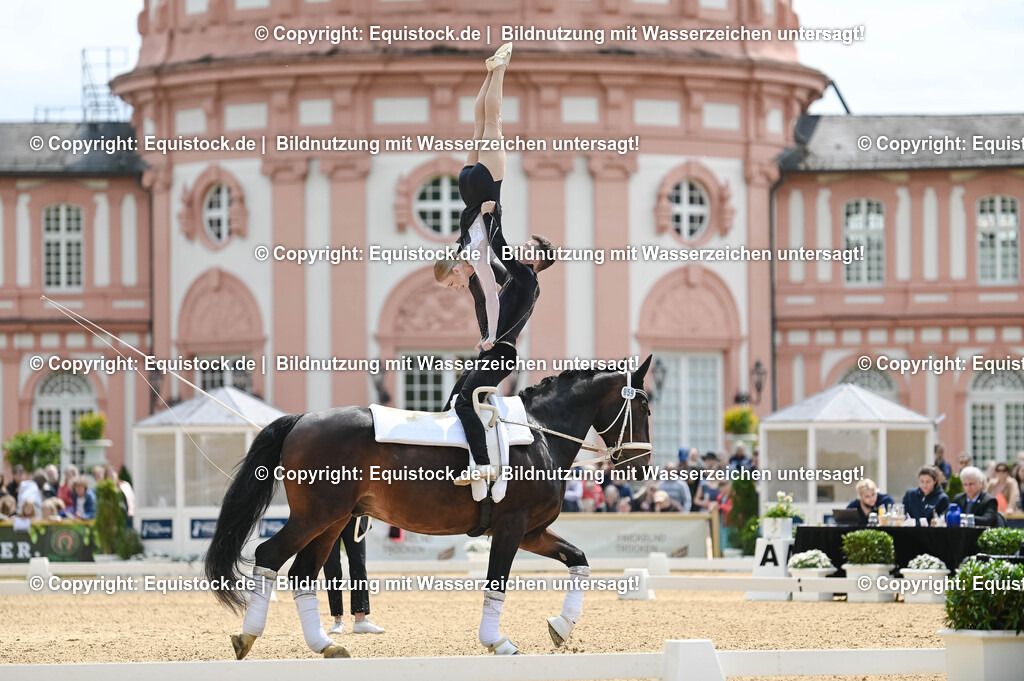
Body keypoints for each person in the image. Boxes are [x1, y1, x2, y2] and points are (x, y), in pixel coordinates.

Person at [323, 516, 385, 635]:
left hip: (354, 516)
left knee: (359, 565)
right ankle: (337, 620)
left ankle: (360, 619)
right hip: (330, 515)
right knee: (332, 567)